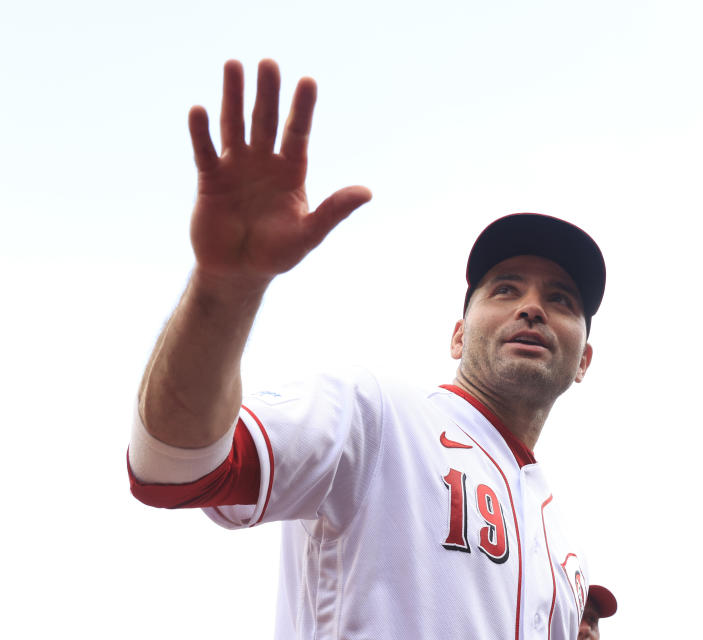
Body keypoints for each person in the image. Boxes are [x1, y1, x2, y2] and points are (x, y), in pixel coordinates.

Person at [127, 58, 607, 640]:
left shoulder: (555, 527)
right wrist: (225, 289)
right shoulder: (375, 414)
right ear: (458, 335)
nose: (531, 306)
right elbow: (175, 469)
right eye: (505, 289)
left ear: (583, 360)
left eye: (560, 299)